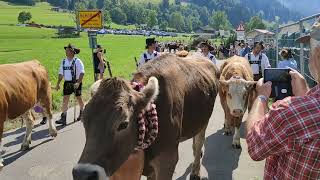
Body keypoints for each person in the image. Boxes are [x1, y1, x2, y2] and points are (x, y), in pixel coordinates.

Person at [246, 19, 320, 180]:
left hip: (261, 82)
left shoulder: (291, 112)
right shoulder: (248, 55)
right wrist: (305, 96)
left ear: (318, 55)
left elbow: (255, 145)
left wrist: (261, 96)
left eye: (310, 48)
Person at [55, 44, 85, 126]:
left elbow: (82, 72)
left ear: (72, 52)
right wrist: (58, 84)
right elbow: (61, 74)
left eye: (68, 50)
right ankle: (63, 117)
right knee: (65, 99)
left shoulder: (77, 61)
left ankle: (82, 112)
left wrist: (78, 82)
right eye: (66, 50)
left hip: (76, 82)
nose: (66, 51)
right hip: (67, 83)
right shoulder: (63, 61)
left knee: (79, 98)